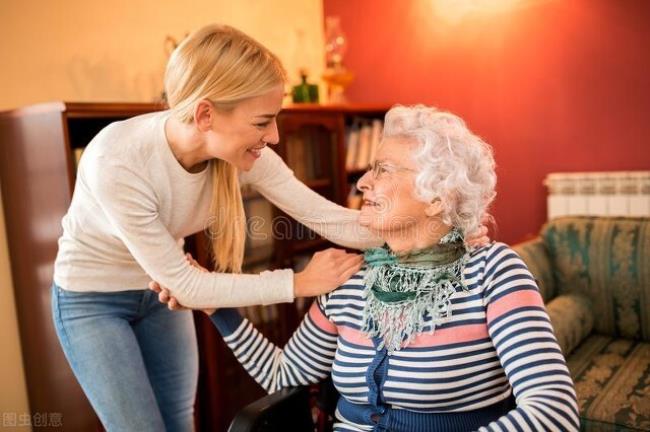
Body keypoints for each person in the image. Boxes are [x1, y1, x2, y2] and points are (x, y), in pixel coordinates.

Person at [154, 105, 579, 431]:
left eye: (384, 170)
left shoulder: (494, 272)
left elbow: (552, 409)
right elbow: (284, 374)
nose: (362, 183)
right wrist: (215, 306)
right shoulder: (348, 278)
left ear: (438, 197)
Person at [51, 24, 377, 432]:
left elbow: (327, 217)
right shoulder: (117, 161)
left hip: (159, 297)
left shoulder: (241, 154)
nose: (273, 136)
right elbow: (187, 285)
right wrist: (298, 282)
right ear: (205, 114)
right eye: (262, 122)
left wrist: (433, 228)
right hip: (93, 301)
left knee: (178, 424)